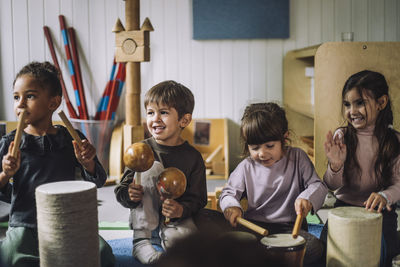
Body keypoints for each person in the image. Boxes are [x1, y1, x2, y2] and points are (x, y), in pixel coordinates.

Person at [0, 61, 115, 267]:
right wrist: (6, 174)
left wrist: (87, 163)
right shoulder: (9, 143)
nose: (20, 104)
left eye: (30, 96)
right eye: (16, 97)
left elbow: (98, 180)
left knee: (103, 255)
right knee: (9, 258)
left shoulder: (71, 138)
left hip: (67, 220)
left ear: (53, 103)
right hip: (25, 223)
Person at [219, 102, 328, 265]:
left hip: (290, 228)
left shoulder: (298, 158)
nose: (262, 153)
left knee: (315, 249)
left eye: (270, 146)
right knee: (223, 247)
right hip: (254, 227)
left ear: (284, 138)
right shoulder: (246, 166)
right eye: (255, 147)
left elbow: (317, 185)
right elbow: (228, 193)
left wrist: (307, 198)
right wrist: (232, 206)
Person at [114, 80, 207, 264]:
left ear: (184, 120)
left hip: (176, 221)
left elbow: (199, 199)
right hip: (145, 222)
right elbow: (121, 190)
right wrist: (129, 194)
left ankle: (169, 239)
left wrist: (181, 209)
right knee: (152, 166)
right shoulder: (139, 151)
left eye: (163, 112)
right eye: (150, 113)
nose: (155, 119)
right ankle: (140, 242)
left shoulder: (193, 157)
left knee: (190, 253)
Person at [322, 70, 400, 266]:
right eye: (347, 104)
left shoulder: (394, 141)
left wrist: (385, 196)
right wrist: (336, 165)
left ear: (381, 103)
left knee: (383, 255)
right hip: (344, 209)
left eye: (360, 103)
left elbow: (398, 184)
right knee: (325, 253)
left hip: (380, 212)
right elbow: (330, 185)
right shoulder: (342, 136)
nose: (352, 111)